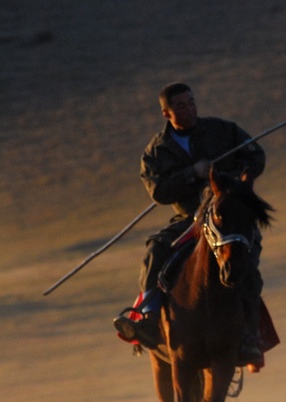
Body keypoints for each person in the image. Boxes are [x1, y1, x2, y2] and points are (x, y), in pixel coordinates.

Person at [113, 82, 266, 365]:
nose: (189, 109)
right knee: (156, 249)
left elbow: (256, 157)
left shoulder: (223, 130)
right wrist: (191, 173)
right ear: (165, 113)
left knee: (246, 261)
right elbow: (158, 192)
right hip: (188, 218)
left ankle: (250, 334)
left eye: (191, 102)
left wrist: (227, 178)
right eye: (181, 105)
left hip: (226, 217)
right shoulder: (156, 151)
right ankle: (147, 318)